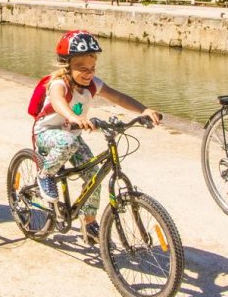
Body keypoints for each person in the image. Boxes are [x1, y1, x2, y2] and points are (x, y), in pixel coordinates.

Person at [33, 30, 162, 242]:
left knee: (94, 174)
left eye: (92, 68)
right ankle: (45, 175)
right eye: (82, 68)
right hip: (47, 134)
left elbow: (118, 97)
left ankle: (89, 222)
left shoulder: (93, 85)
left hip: (72, 136)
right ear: (67, 66)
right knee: (67, 141)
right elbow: (58, 102)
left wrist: (144, 110)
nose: (88, 73)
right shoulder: (59, 83)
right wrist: (73, 117)